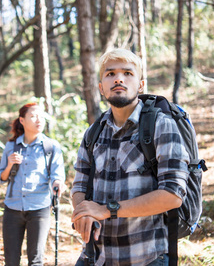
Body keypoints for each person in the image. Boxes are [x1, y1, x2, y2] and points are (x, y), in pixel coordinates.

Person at [70, 48, 190, 266]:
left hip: (146, 257)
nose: (118, 79)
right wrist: (84, 212)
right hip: (98, 257)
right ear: (101, 87)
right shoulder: (93, 133)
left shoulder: (161, 126)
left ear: (141, 85)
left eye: (127, 73)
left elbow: (173, 194)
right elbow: (79, 186)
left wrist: (107, 210)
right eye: (110, 74)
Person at [0, 103, 66, 266]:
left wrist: (57, 183)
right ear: (22, 120)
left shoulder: (51, 146)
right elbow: (1, 178)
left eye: (41, 116)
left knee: (36, 260)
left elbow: (58, 175)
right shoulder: (11, 146)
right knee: (11, 261)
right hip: (12, 209)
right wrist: (9, 164)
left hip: (39, 208)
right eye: (33, 116)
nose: (39, 120)